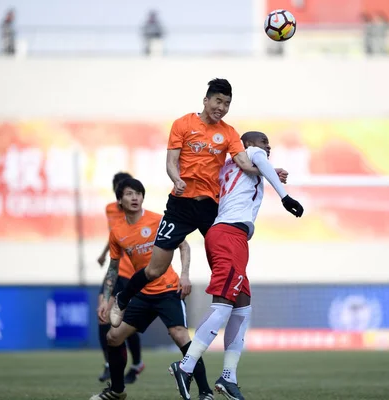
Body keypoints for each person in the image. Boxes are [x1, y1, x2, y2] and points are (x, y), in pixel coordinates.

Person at [110, 78, 288, 328]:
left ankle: (231, 311)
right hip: (180, 207)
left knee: (222, 263)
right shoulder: (183, 124)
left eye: (227, 103)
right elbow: (171, 161)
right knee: (155, 270)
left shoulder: (228, 133)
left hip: (210, 209)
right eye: (218, 101)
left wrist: (270, 171)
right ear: (206, 100)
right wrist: (176, 179)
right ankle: (122, 299)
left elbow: (246, 165)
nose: (222, 107)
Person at [170, 131, 304, 400]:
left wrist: (268, 171)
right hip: (229, 236)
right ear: (250, 145)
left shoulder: (228, 168)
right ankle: (184, 367)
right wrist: (285, 196)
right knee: (223, 305)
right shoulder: (252, 152)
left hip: (230, 237)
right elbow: (258, 161)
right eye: (265, 143)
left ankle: (228, 376)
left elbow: (252, 172)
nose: (268, 147)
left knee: (242, 306)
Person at [91, 178, 214, 400]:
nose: (135, 197)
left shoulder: (159, 220)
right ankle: (117, 391)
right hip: (142, 294)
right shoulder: (117, 232)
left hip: (168, 290)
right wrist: (105, 299)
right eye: (129, 194)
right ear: (120, 200)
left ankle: (206, 392)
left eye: (138, 193)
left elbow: (183, 245)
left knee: (180, 336)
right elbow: (113, 268)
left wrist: (185, 274)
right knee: (113, 337)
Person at [95, 172, 144, 383]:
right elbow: (115, 234)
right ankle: (108, 362)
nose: (129, 197)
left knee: (124, 323)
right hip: (115, 272)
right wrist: (105, 253)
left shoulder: (138, 215)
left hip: (131, 273)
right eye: (124, 193)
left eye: (133, 193)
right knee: (103, 315)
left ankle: (136, 363)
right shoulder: (110, 210)